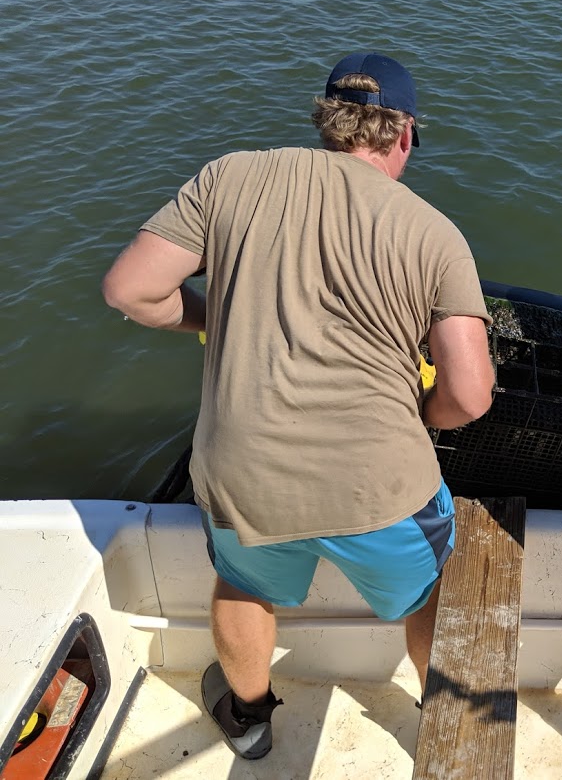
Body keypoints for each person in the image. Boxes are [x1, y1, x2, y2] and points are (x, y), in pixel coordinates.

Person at [102, 52, 495, 760]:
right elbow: (468, 394)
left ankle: (249, 718)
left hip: (241, 475)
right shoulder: (434, 233)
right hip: (380, 487)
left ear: (326, 120)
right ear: (404, 135)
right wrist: (422, 414)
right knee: (429, 590)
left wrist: (209, 315)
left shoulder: (229, 175)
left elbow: (131, 290)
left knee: (245, 582)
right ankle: (438, 713)